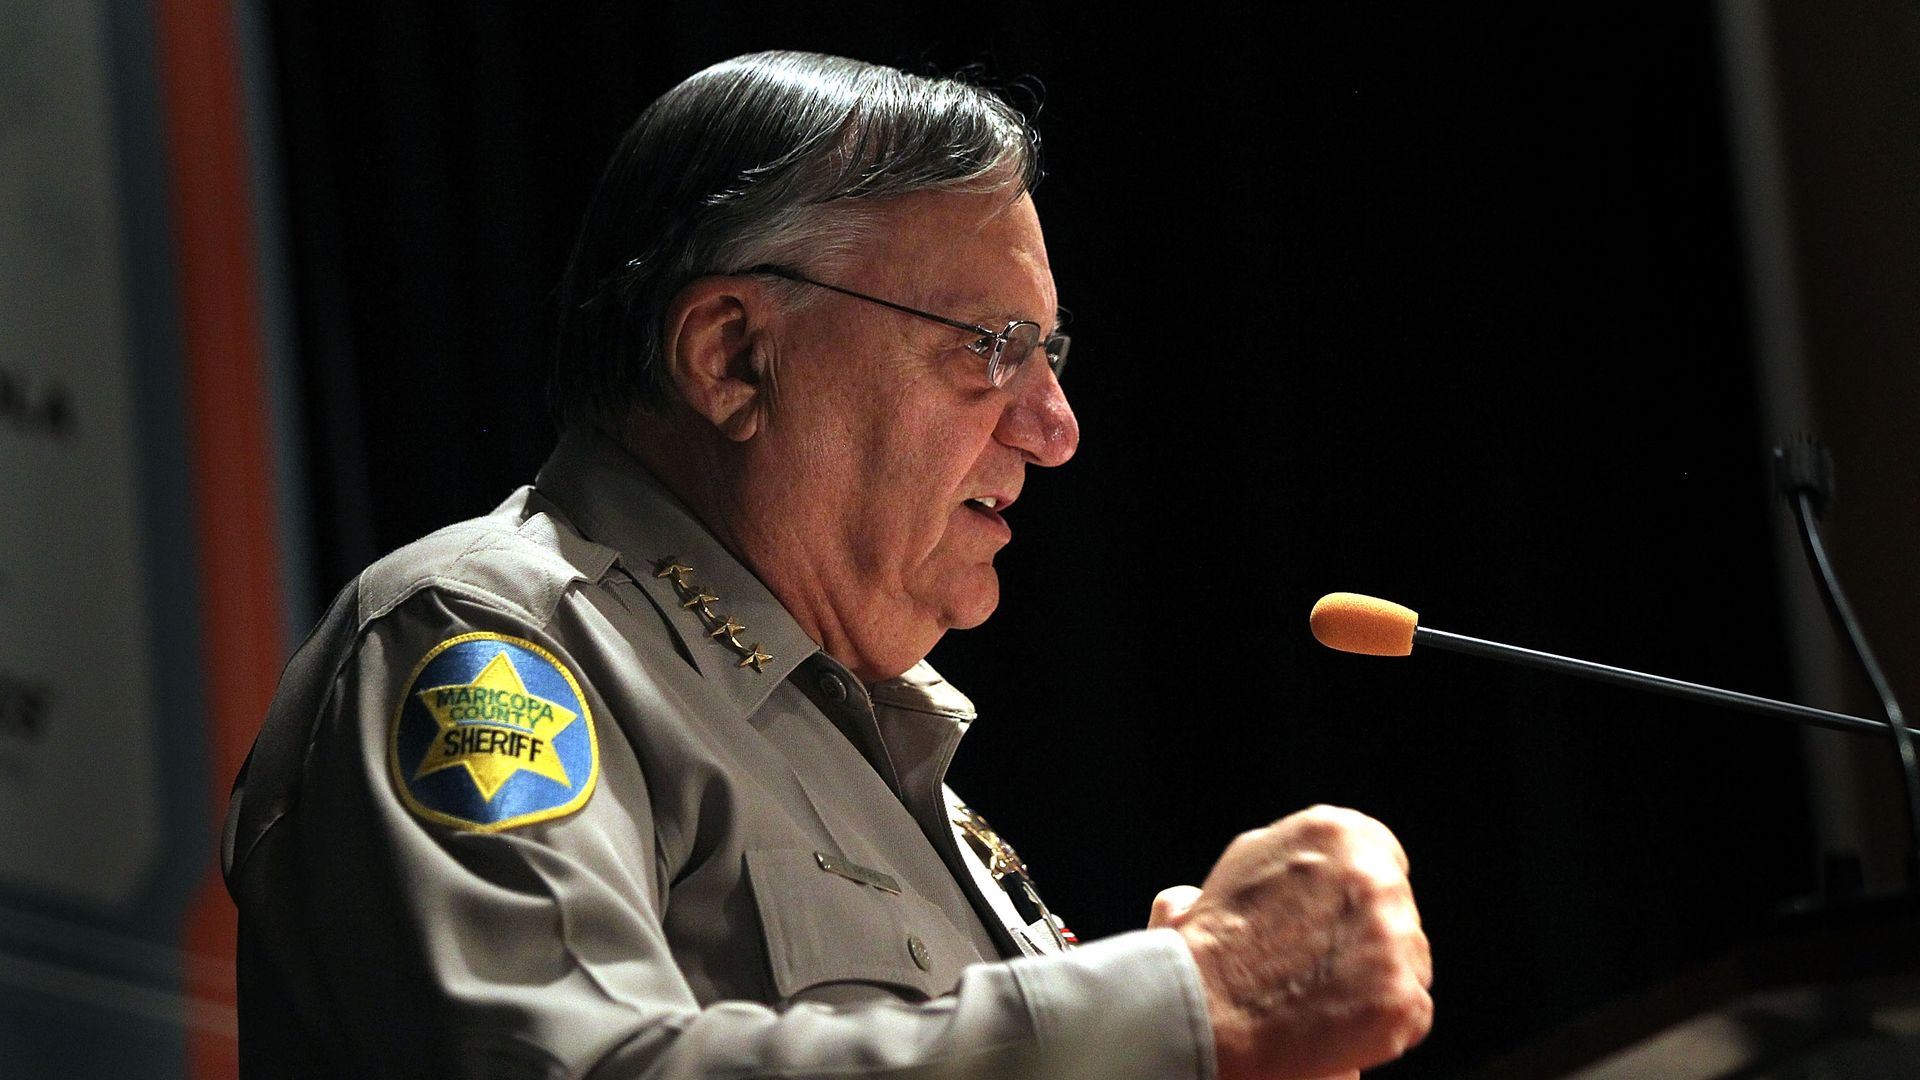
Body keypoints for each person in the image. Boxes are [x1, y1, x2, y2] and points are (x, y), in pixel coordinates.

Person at [222, 50, 1432, 1080]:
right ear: (733, 358)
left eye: (1049, 352)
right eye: (992, 346)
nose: (1057, 428)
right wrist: (1182, 1000)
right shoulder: (488, 638)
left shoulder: (894, 772)